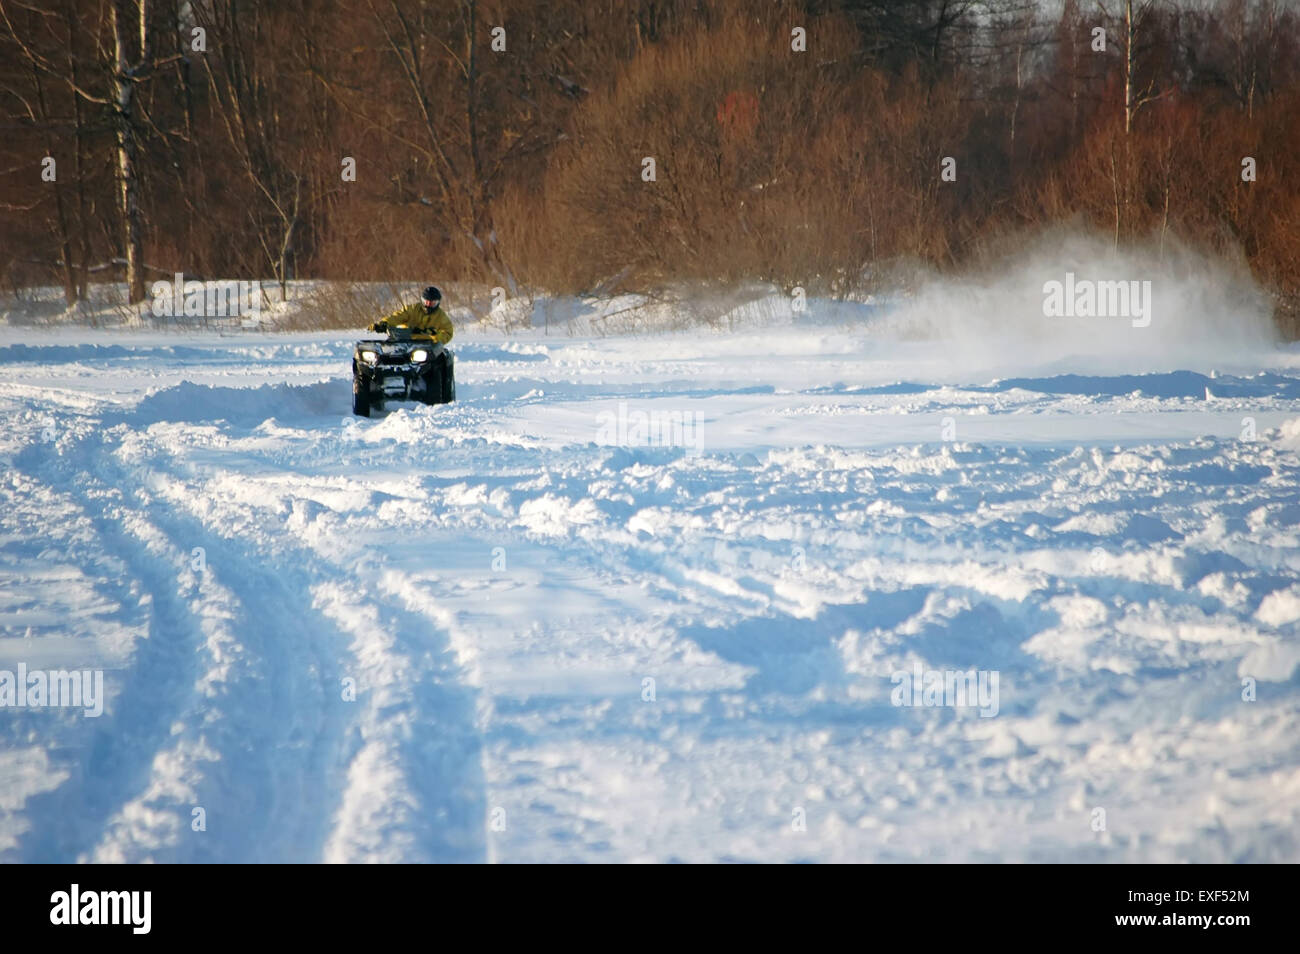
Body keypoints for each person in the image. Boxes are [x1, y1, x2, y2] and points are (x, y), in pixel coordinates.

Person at [371, 285, 454, 344]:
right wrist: (383, 324)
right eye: (426, 302)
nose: (428, 305)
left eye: (432, 303)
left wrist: (437, 336)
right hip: (405, 341)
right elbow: (397, 317)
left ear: (437, 303)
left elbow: (448, 332)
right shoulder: (412, 309)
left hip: (427, 346)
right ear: (422, 300)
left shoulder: (441, 316)